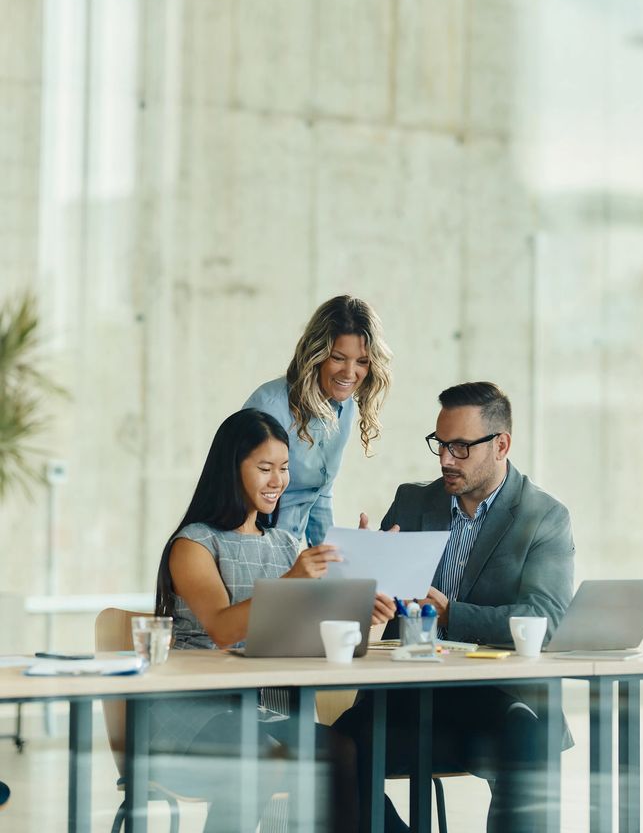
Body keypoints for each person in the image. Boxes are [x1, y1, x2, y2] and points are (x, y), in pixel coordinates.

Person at [335, 381, 575, 833]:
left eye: (461, 447)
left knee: (527, 737)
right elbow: (375, 604)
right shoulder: (413, 501)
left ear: (501, 444)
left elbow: (545, 619)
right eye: (441, 444)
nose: (446, 459)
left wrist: (451, 614)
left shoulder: (543, 516)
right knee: (336, 749)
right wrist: (364, 570)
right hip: (407, 696)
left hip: (494, 699)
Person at [152, 408, 393, 833]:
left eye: (283, 468)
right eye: (265, 468)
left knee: (338, 750)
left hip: (259, 708)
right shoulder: (193, 544)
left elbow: (308, 635)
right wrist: (294, 578)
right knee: (261, 760)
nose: (277, 481)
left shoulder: (284, 543)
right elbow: (223, 631)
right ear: (232, 470)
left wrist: (360, 600)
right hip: (193, 709)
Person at [243, 295, 392, 546]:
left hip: (289, 553)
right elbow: (237, 495)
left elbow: (319, 494)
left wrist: (334, 563)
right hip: (254, 550)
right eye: (338, 357)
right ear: (317, 353)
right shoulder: (269, 408)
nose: (349, 373)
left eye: (362, 362)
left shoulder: (344, 406)